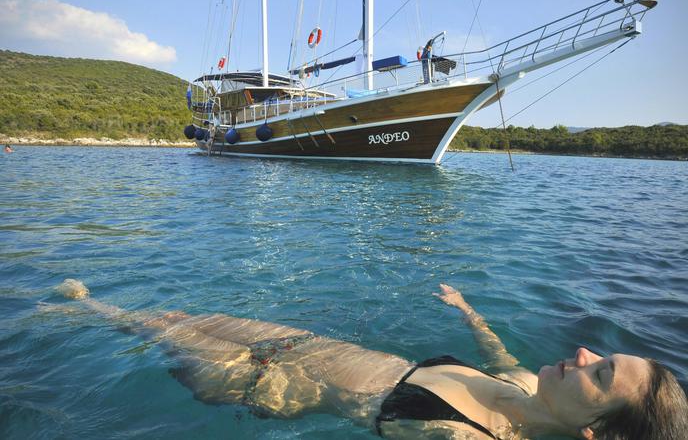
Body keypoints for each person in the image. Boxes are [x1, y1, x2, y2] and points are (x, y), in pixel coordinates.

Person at [57, 279, 688, 439]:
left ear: (592, 431)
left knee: (141, 328)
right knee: (178, 316)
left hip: (274, 382)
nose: (585, 353)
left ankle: (78, 310)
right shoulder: (523, 382)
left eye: (601, 373)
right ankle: (86, 308)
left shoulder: (466, 436)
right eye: (602, 353)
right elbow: (497, 352)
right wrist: (468, 311)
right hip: (305, 344)